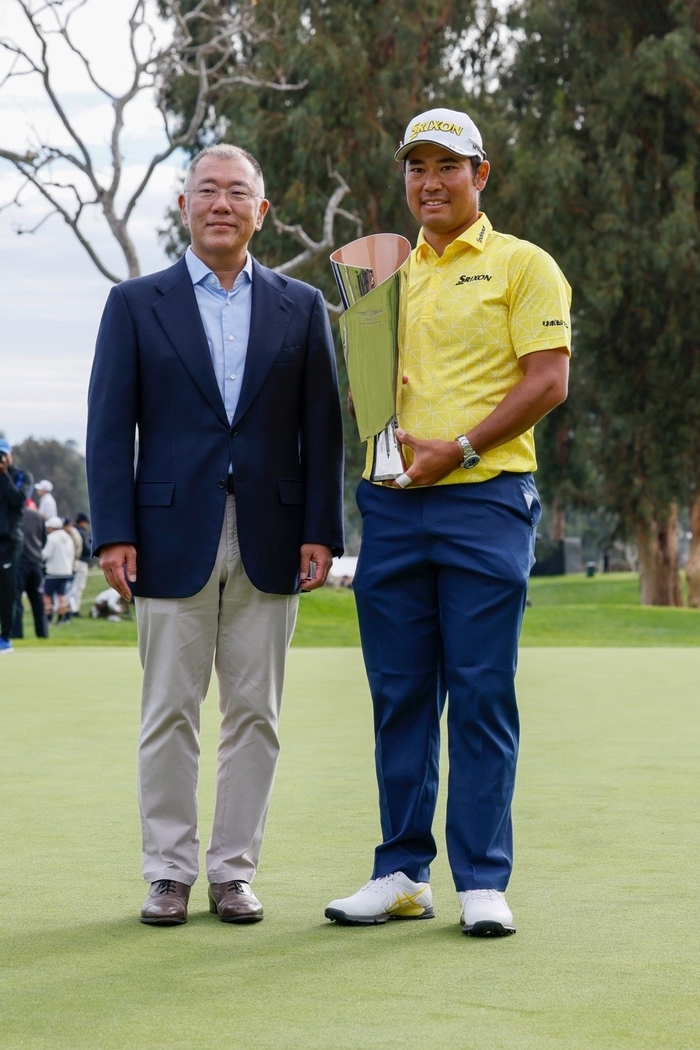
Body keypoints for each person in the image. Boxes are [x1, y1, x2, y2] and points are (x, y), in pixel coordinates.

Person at [325, 108, 571, 936]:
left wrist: (459, 449)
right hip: (392, 504)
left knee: (479, 694)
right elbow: (368, 402)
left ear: (482, 175)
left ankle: (482, 880)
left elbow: (547, 382)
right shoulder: (382, 275)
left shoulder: (523, 265)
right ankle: (400, 871)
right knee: (398, 695)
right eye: (415, 168)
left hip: (484, 500)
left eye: (447, 167)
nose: (429, 183)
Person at [86, 143, 344, 927]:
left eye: (238, 193)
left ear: (261, 211)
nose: (222, 203)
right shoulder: (134, 303)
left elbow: (322, 429)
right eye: (208, 190)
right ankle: (167, 873)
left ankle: (233, 872)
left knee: (255, 713)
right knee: (168, 710)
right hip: (165, 537)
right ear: (183, 205)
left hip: (273, 533)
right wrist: (113, 533)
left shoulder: (301, 306)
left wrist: (321, 530)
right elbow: (107, 428)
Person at [0, 439, 25, 654]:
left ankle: (5, 637)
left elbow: (19, 500)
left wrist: (4, 475)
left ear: (10, 456)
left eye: (3, 455)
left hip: (9, 543)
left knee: (8, 592)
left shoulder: (20, 476)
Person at [12, 501, 49, 639]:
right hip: (36, 563)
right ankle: (42, 634)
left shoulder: (12, 513)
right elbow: (44, 540)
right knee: (38, 601)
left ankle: (16, 634)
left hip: (18, 563)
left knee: (15, 600)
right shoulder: (38, 516)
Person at [41, 516, 75, 624]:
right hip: (66, 571)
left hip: (53, 572)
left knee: (47, 594)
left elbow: (46, 554)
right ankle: (61, 618)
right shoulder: (68, 537)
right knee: (62, 595)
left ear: (52, 527)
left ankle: (48, 617)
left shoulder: (52, 538)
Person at [69, 513, 92, 616]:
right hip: (81, 562)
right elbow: (87, 549)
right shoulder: (81, 532)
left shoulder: (72, 530)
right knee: (78, 587)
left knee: (72, 586)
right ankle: (74, 609)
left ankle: (71, 608)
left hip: (72, 562)